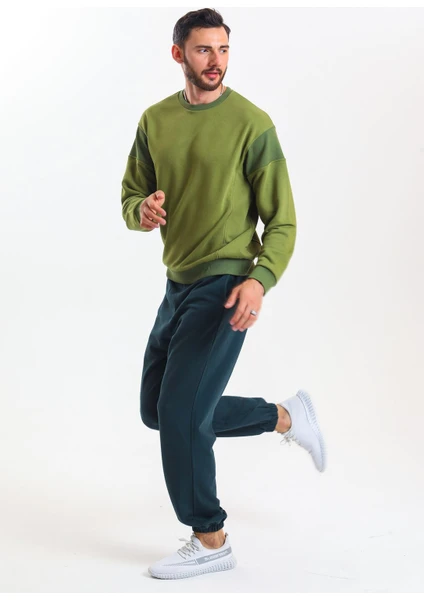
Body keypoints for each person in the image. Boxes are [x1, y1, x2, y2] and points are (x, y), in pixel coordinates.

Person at [120, 8, 326, 580]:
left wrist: (259, 280)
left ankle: (210, 538)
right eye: (203, 50)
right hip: (177, 283)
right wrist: (143, 211)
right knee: (158, 409)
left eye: (223, 49)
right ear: (178, 54)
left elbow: (282, 221)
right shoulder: (155, 120)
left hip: (227, 282)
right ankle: (285, 416)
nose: (216, 61)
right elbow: (132, 194)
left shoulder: (251, 124)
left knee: (181, 414)